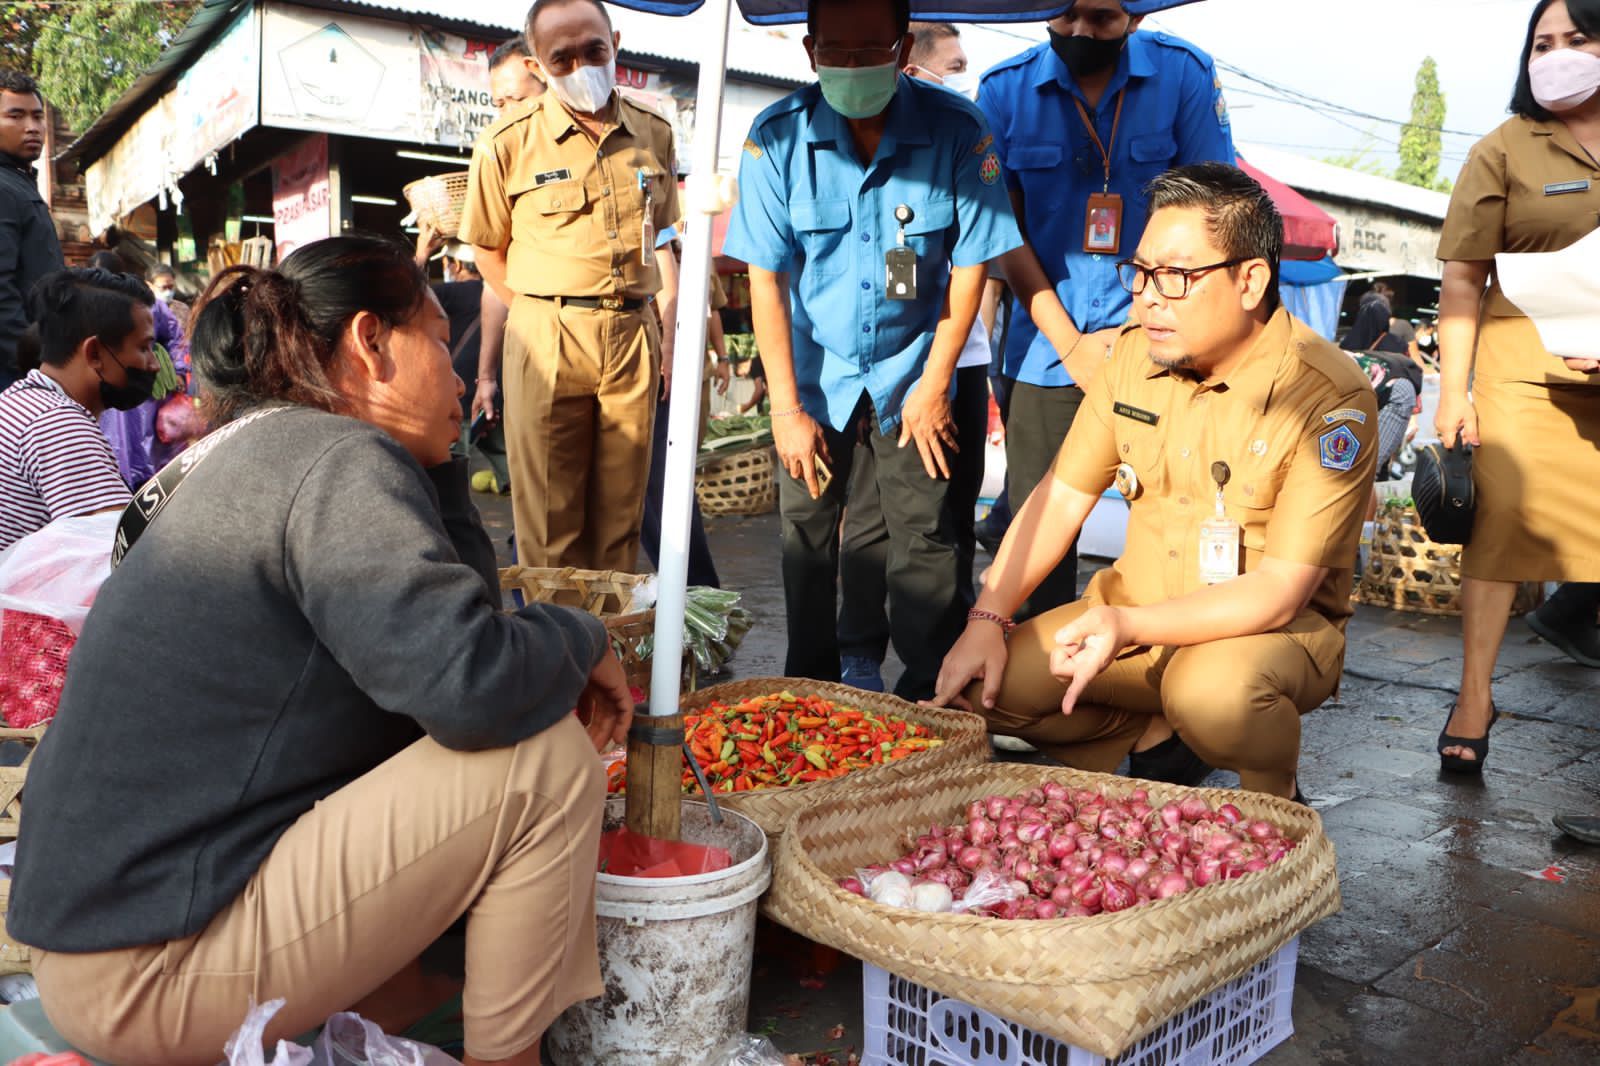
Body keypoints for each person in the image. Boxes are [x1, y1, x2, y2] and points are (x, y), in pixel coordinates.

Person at [8, 236, 633, 1066]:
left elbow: (453, 621)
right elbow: (475, 683)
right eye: (442, 348)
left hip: (99, 945)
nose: (456, 379)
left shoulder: (248, 452)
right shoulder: (332, 460)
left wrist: (432, 459)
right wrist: (582, 633)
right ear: (370, 344)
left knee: (454, 922)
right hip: (146, 972)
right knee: (543, 762)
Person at [929, 164, 1378, 801]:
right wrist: (987, 615)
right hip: (1132, 618)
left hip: (1262, 636)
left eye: (1175, 277)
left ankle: (1275, 804)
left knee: (1213, 695)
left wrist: (1130, 629)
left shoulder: (1328, 396)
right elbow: (1061, 498)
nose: (1146, 297)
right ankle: (1155, 740)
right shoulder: (1134, 357)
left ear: (1250, 280)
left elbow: (1280, 592)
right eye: (1140, 274)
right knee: (980, 687)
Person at [723, 0, 1022, 700]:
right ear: (809, 51)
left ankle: (932, 697)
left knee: (924, 538)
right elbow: (764, 280)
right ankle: (813, 693)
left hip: (913, 363)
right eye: (838, 52)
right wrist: (786, 409)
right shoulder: (777, 138)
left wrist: (935, 382)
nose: (853, 66)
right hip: (816, 372)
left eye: (869, 51)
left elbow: (970, 265)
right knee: (807, 537)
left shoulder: (957, 130)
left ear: (903, 45)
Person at [977, 0, 1234, 620]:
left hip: (1164, 346)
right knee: (1040, 528)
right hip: (1045, 355)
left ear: (1136, 17)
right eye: (1066, 17)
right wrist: (1071, 345)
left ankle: (1158, 677)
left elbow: (1215, 214)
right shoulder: (1004, 91)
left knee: (1174, 519)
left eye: (1101, 18)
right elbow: (998, 235)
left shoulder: (1184, 76)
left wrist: (1135, 330)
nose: (1082, 32)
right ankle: (1032, 692)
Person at [1433, 0, 1600, 773]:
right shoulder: (1502, 149)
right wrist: (1452, 393)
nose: (1559, 54)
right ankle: (1473, 696)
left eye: (1578, 38)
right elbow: (1464, 280)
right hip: (1521, 381)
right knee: (1497, 536)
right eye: (1544, 43)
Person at [461, 0, 678, 571]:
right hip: (547, 334)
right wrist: (537, 314)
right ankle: (557, 657)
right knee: (552, 529)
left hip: (632, 334)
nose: (581, 64)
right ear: (537, 63)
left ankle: (609, 655)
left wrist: (668, 331)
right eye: (562, 57)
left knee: (620, 524)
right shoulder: (505, 142)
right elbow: (487, 247)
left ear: (616, 43)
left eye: (594, 50)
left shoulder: (653, 134)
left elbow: (659, 235)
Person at [835, 21, 997, 692]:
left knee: (942, 518)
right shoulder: (851, 136)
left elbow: (980, 256)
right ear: (911, 64)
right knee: (878, 513)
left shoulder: (959, 133)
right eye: (953, 64)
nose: (963, 76)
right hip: (886, 364)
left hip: (954, 362)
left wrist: (942, 376)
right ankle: (864, 652)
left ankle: (935, 669)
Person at [0, 267, 150, 550]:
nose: (154, 364)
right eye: (144, 348)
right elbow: (120, 558)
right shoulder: (59, 427)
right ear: (94, 353)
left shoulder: (16, 402)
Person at [469, 34, 548, 494]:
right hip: (534, 360)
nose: (505, 116)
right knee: (535, 490)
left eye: (515, 101)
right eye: (498, 104)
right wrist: (485, 376)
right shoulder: (498, 160)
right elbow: (493, 278)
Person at [87, 249, 190, 489]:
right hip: (107, 393)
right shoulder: (87, 309)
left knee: (150, 451)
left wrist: (177, 368)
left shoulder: (147, 304)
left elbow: (176, 336)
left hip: (145, 390)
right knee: (114, 450)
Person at [428, 236, 513, 495]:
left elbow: (405, 293)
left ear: (456, 265)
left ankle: (450, 500)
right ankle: (515, 485)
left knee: (454, 456)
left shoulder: (453, 293)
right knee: (501, 450)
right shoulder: (504, 292)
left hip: (464, 391)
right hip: (495, 387)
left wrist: (421, 253)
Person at [0, 71, 64, 389]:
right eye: (16, 115)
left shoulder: (19, 183)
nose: (32, 127)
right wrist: (35, 369)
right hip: (16, 374)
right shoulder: (3, 187)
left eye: (37, 116)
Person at [147, 263, 191, 330]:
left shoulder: (183, 309)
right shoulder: (143, 311)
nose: (168, 292)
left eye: (171, 287)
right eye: (163, 287)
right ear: (150, 286)